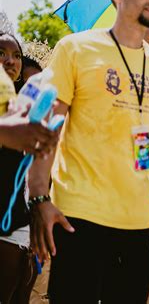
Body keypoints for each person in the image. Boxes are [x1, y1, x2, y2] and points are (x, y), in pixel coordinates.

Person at [27, 0, 149, 303]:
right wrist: (39, 198)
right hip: (78, 215)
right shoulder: (76, 49)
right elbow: (48, 128)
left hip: (140, 221)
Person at [0, 32, 58, 304]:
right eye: (2, 54)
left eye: (16, 56)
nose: (10, 61)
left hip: (17, 217)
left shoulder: (22, 107)